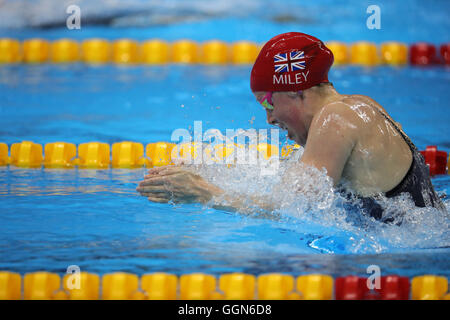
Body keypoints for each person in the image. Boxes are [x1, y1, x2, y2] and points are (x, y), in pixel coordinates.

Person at [136, 32, 444, 221]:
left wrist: (203, 191)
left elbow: (290, 208)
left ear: (295, 90)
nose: (269, 119)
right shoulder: (358, 106)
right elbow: (293, 181)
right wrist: (211, 167)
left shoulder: (334, 118)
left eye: (267, 103)